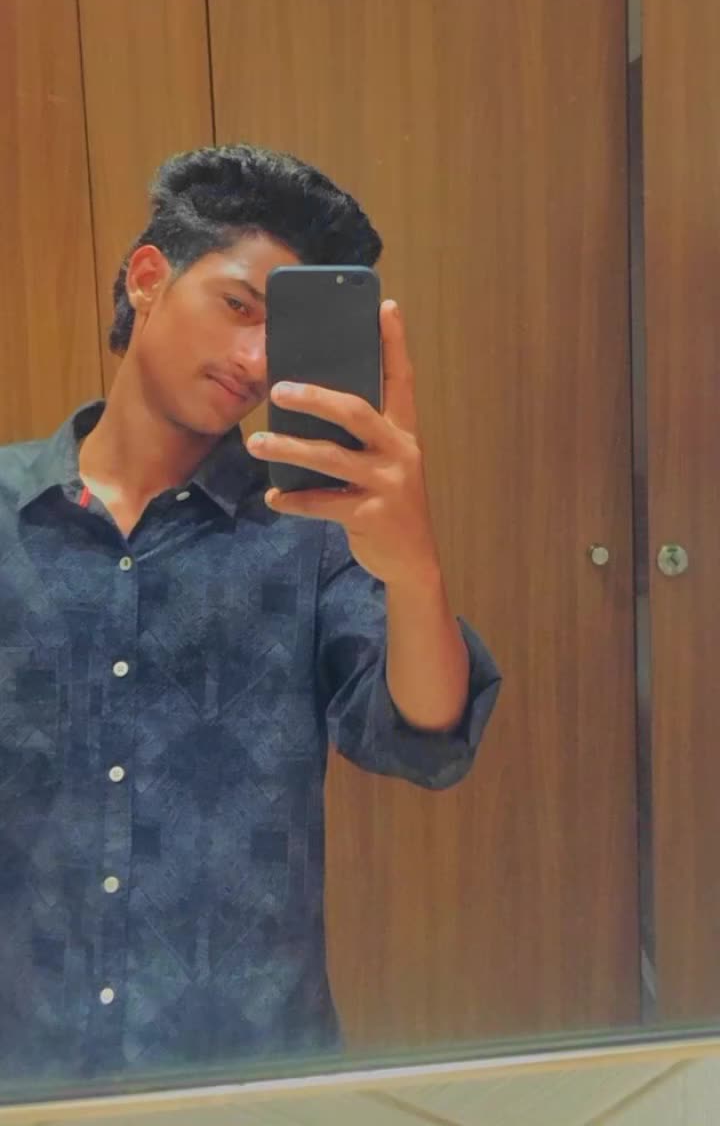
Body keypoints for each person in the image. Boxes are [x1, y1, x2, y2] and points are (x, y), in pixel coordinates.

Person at [0, 144, 501, 1081]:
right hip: (28, 1061)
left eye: (283, 333)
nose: (257, 361)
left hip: (255, 1074)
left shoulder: (311, 529)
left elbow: (424, 736)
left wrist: (414, 571)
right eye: (239, 306)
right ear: (148, 278)